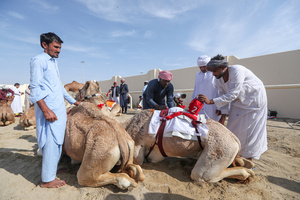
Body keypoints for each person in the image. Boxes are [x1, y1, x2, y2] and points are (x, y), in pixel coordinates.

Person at [29, 32, 80, 188]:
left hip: (58, 109)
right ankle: (47, 180)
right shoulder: (38, 61)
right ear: (45, 45)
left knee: (58, 142)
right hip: (49, 110)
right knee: (50, 142)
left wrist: (75, 102)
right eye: (56, 47)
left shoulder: (53, 62)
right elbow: (35, 88)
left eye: (59, 47)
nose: (59, 50)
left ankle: (52, 170)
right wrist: (45, 110)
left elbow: (59, 87)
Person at [198, 54, 268, 160]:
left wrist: (210, 101)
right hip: (239, 101)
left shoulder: (237, 70)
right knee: (232, 128)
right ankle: (236, 156)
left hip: (254, 102)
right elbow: (223, 97)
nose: (213, 74)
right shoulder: (218, 79)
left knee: (249, 131)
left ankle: (248, 160)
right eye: (212, 72)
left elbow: (232, 94)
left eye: (215, 71)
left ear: (222, 68)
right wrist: (223, 116)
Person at [192, 55, 220, 121]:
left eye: (204, 67)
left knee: (212, 124)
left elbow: (220, 90)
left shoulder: (215, 74)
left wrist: (220, 107)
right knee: (199, 123)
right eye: (200, 67)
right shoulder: (198, 75)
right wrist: (193, 103)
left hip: (213, 106)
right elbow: (195, 90)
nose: (202, 69)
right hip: (199, 106)